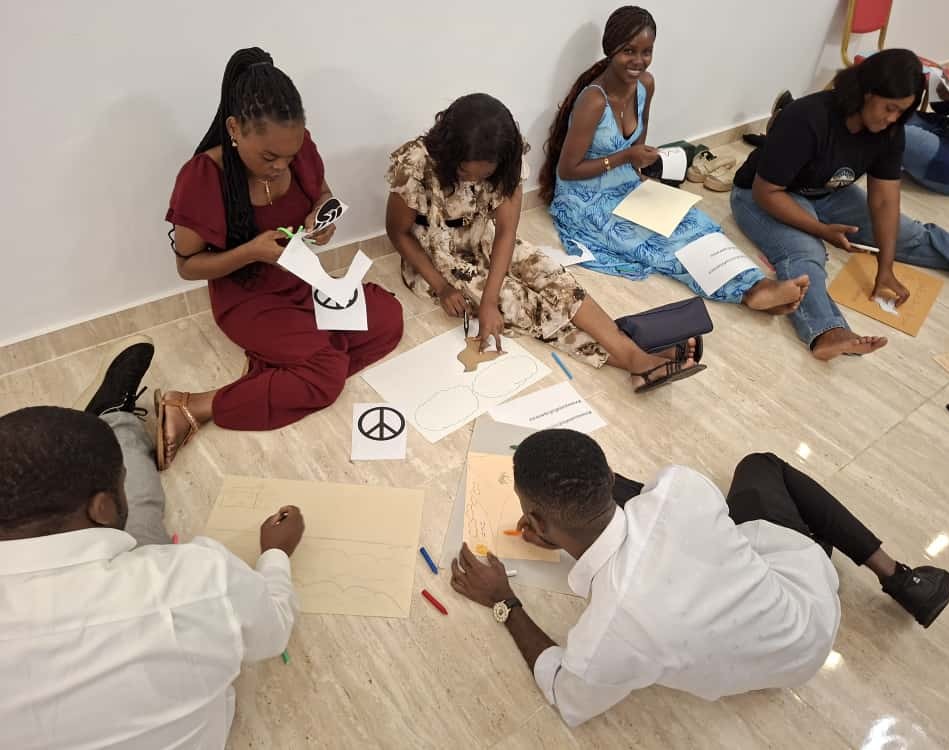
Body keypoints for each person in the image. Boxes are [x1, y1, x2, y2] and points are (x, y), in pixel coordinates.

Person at [450, 429, 949, 728]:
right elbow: (648, 507)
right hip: (807, 601)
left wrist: (504, 601)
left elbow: (566, 695)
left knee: (757, 476)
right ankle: (899, 577)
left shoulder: (609, 630)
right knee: (760, 466)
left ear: (535, 524)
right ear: (609, 479)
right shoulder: (680, 486)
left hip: (787, 657)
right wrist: (565, 532)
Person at [0, 336, 304, 749]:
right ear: (103, 508)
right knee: (140, 516)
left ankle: (114, 418)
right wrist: (276, 554)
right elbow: (274, 628)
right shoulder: (195, 581)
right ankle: (115, 419)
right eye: (119, 485)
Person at [162, 47, 403, 469]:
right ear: (235, 129)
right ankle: (194, 405)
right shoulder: (202, 176)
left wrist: (322, 217)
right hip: (247, 300)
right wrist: (251, 251)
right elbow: (187, 266)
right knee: (326, 374)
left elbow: (323, 193)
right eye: (269, 157)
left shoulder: (298, 147)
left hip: (302, 279)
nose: (280, 166)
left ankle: (292, 367)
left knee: (388, 317)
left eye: (288, 157)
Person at [385, 93, 704, 394]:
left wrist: (488, 301)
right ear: (451, 153)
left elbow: (506, 232)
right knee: (521, 303)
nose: (472, 181)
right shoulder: (415, 162)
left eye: (484, 175)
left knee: (556, 279)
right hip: (437, 260)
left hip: (485, 240)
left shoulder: (507, 158)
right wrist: (443, 288)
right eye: (466, 172)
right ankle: (635, 357)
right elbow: (398, 232)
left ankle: (634, 354)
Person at [540, 6, 809, 315]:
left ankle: (756, 282)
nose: (639, 61)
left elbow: (638, 144)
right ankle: (747, 293)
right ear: (610, 49)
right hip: (584, 199)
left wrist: (645, 165)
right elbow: (567, 170)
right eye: (629, 51)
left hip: (626, 185)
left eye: (647, 52)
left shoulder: (645, 85)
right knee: (659, 244)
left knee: (696, 223)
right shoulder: (593, 100)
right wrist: (625, 157)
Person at [732, 49, 949, 360]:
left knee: (905, 232)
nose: (892, 118)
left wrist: (885, 267)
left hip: (828, 191)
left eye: (901, 112)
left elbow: (884, 200)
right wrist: (820, 230)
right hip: (765, 195)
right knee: (806, 252)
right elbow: (767, 192)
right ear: (867, 92)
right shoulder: (807, 118)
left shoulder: (890, 130)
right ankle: (827, 331)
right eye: (889, 108)